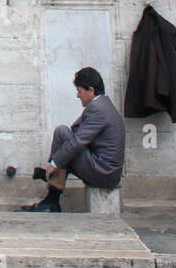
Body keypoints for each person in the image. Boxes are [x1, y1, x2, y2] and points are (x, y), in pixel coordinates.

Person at [22, 66, 125, 213]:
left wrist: (55, 163)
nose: (77, 96)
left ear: (91, 90)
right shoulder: (103, 105)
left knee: (62, 133)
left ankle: (51, 197)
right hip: (104, 168)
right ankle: (51, 198)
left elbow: (78, 142)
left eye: (79, 91)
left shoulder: (98, 109)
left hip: (103, 172)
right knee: (65, 143)